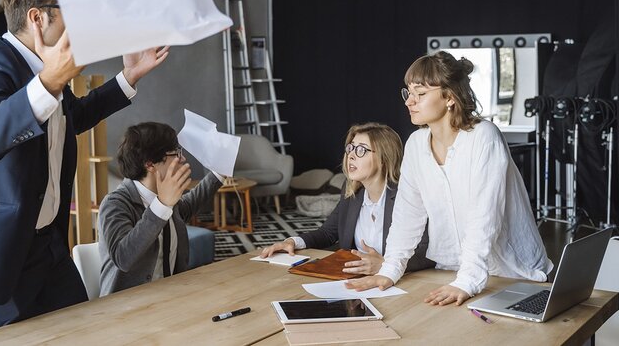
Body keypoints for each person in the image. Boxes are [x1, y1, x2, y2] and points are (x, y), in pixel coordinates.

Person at [0, 0, 170, 333]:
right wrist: (48, 82)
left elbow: (72, 117)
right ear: (38, 18)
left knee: (87, 336)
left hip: (47, 249)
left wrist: (128, 77)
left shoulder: (44, 67)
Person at [346, 51, 553, 306]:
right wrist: (390, 270)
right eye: (408, 92)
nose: (409, 101)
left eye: (420, 93)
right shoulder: (416, 144)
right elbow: (407, 217)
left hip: (514, 274)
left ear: (449, 97)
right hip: (451, 273)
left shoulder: (483, 137)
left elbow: (484, 218)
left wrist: (467, 281)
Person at [260, 123, 435, 275]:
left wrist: (386, 265)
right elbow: (328, 233)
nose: (351, 155)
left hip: (406, 280)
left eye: (361, 150)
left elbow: (428, 252)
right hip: (358, 279)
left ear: (384, 158)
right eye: (350, 148)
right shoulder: (352, 192)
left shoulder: (408, 194)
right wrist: (292, 242)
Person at [97, 122, 223, 296]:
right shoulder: (115, 203)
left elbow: (188, 206)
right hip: (128, 305)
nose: (182, 159)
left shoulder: (166, 196)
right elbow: (123, 258)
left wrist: (219, 172)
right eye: (175, 153)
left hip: (172, 296)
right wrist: (162, 205)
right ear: (150, 164)